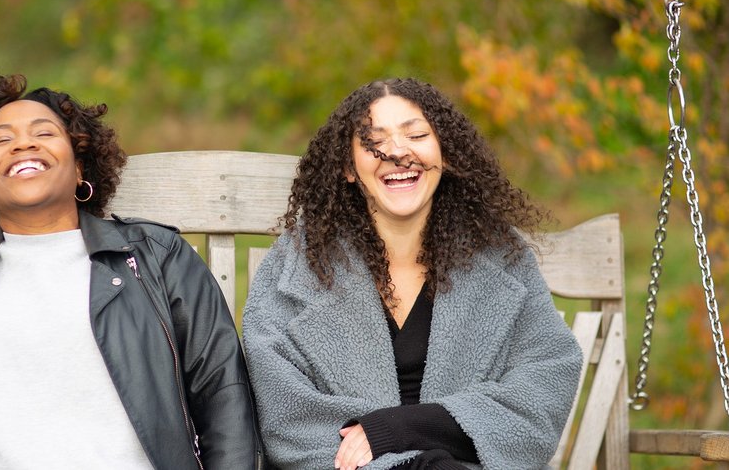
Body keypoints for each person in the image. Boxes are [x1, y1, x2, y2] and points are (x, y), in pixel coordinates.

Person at [0, 74, 263, 470]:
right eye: (2, 140)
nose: (22, 144)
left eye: (44, 133)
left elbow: (222, 394)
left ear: (80, 167)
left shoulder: (157, 257)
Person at [242, 78, 583, 469]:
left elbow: (543, 388)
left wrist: (404, 427)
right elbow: (285, 415)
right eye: (374, 141)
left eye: (416, 135)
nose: (397, 152)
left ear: (447, 155)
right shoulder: (297, 266)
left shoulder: (501, 258)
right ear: (348, 168)